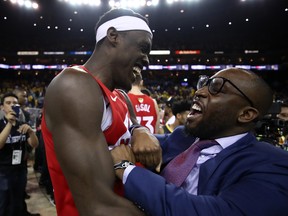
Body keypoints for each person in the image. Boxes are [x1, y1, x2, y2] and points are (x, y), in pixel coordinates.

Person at [111, 67, 288, 216]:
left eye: (217, 88)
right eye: (204, 84)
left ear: (245, 114)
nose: (200, 92)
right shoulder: (183, 136)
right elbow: (128, 144)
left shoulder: (273, 164)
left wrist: (127, 170)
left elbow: (210, 212)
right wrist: (138, 130)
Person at [41, 8, 161, 216]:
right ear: (113, 36)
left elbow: (133, 124)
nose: (147, 59)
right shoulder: (74, 85)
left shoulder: (122, 97)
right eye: (143, 48)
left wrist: (140, 130)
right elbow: (97, 206)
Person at [0, 92, 39, 216]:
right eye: (8, 103)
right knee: (5, 200)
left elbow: (34, 145)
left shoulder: (22, 124)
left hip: (20, 167)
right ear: (2, 107)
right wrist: (10, 123)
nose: (12, 105)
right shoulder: (0, 123)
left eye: (15, 103)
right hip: (4, 169)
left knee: (19, 197)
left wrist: (31, 133)